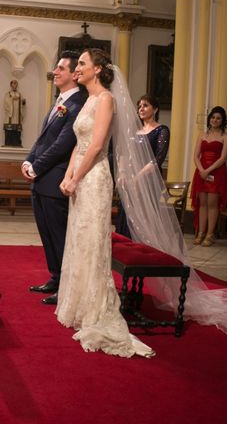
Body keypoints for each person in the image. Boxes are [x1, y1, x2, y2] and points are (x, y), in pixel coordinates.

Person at [56, 48, 155, 357]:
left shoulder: (106, 100)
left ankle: (95, 308)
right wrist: (69, 175)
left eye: (83, 64)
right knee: (79, 240)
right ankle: (77, 303)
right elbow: (79, 144)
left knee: (93, 241)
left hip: (96, 178)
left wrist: (78, 177)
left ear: (98, 69)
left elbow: (97, 146)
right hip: (81, 177)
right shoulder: (86, 100)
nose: (78, 69)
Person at [22, 51, 86, 305]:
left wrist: (36, 167)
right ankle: (55, 276)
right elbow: (43, 139)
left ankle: (66, 285)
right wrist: (28, 160)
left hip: (56, 179)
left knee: (59, 234)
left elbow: (62, 144)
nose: (55, 72)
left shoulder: (78, 104)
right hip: (41, 180)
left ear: (73, 74)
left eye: (61, 68)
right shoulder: (59, 101)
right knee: (46, 233)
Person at [115, 95, 170, 238]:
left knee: (144, 216)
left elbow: (158, 159)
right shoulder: (133, 131)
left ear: (155, 109)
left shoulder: (162, 130)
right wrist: (121, 173)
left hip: (148, 180)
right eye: (139, 106)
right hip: (129, 179)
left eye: (145, 105)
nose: (141, 109)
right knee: (125, 214)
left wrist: (138, 177)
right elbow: (123, 153)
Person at [190, 106, 227, 247]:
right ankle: (200, 233)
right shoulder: (202, 135)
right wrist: (202, 170)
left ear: (222, 120)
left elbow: (223, 158)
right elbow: (195, 156)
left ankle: (210, 234)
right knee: (202, 204)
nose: (215, 120)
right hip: (201, 172)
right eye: (213, 117)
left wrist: (209, 171)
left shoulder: (225, 136)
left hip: (216, 172)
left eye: (218, 118)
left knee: (212, 204)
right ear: (210, 119)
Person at [4, 80, 26, 147]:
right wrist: (12, 99)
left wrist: (23, 102)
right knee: (10, 128)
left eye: (16, 84)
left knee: (17, 128)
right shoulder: (8, 94)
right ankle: (8, 143)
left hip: (17, 115)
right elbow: (6, 103)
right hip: (11, 115)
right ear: (11, 85)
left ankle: (17, 143)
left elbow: (22, 103)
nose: (14, 86)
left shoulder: (19, 94)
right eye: (13, 84)